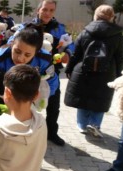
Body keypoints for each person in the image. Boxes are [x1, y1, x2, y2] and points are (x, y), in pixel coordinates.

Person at [64, 5, 123, 137]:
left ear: (95, 16)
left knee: (83, 97)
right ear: (111, 17)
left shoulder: (85, 32)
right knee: (101, 100)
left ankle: (82, 125)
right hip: (107, 73)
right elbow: (120, 57)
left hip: (84, 71)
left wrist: (69, 69)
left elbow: (76, 54)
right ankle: (95, 124)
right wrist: (120, 75)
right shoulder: (117, 35)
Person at [0, 24, 59, 115]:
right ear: (12, 44)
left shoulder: (44, 60)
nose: (20, 58)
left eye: (27, 55)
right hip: (0, 96)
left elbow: (52, 82)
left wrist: (37, 100)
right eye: (17, 51)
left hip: (27, 99)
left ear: (36, 52)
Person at [31, 0, 74, 145]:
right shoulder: (30, 27)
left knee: (54, 105)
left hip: (52, 73)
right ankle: (26, 131)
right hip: (31, 72)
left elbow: (71, 44)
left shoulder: (59, 28)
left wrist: (67, 52)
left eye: (51, 10)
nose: (48, 13)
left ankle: (52, 133)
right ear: (39, 10)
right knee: (27, 103)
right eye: (45, 9)